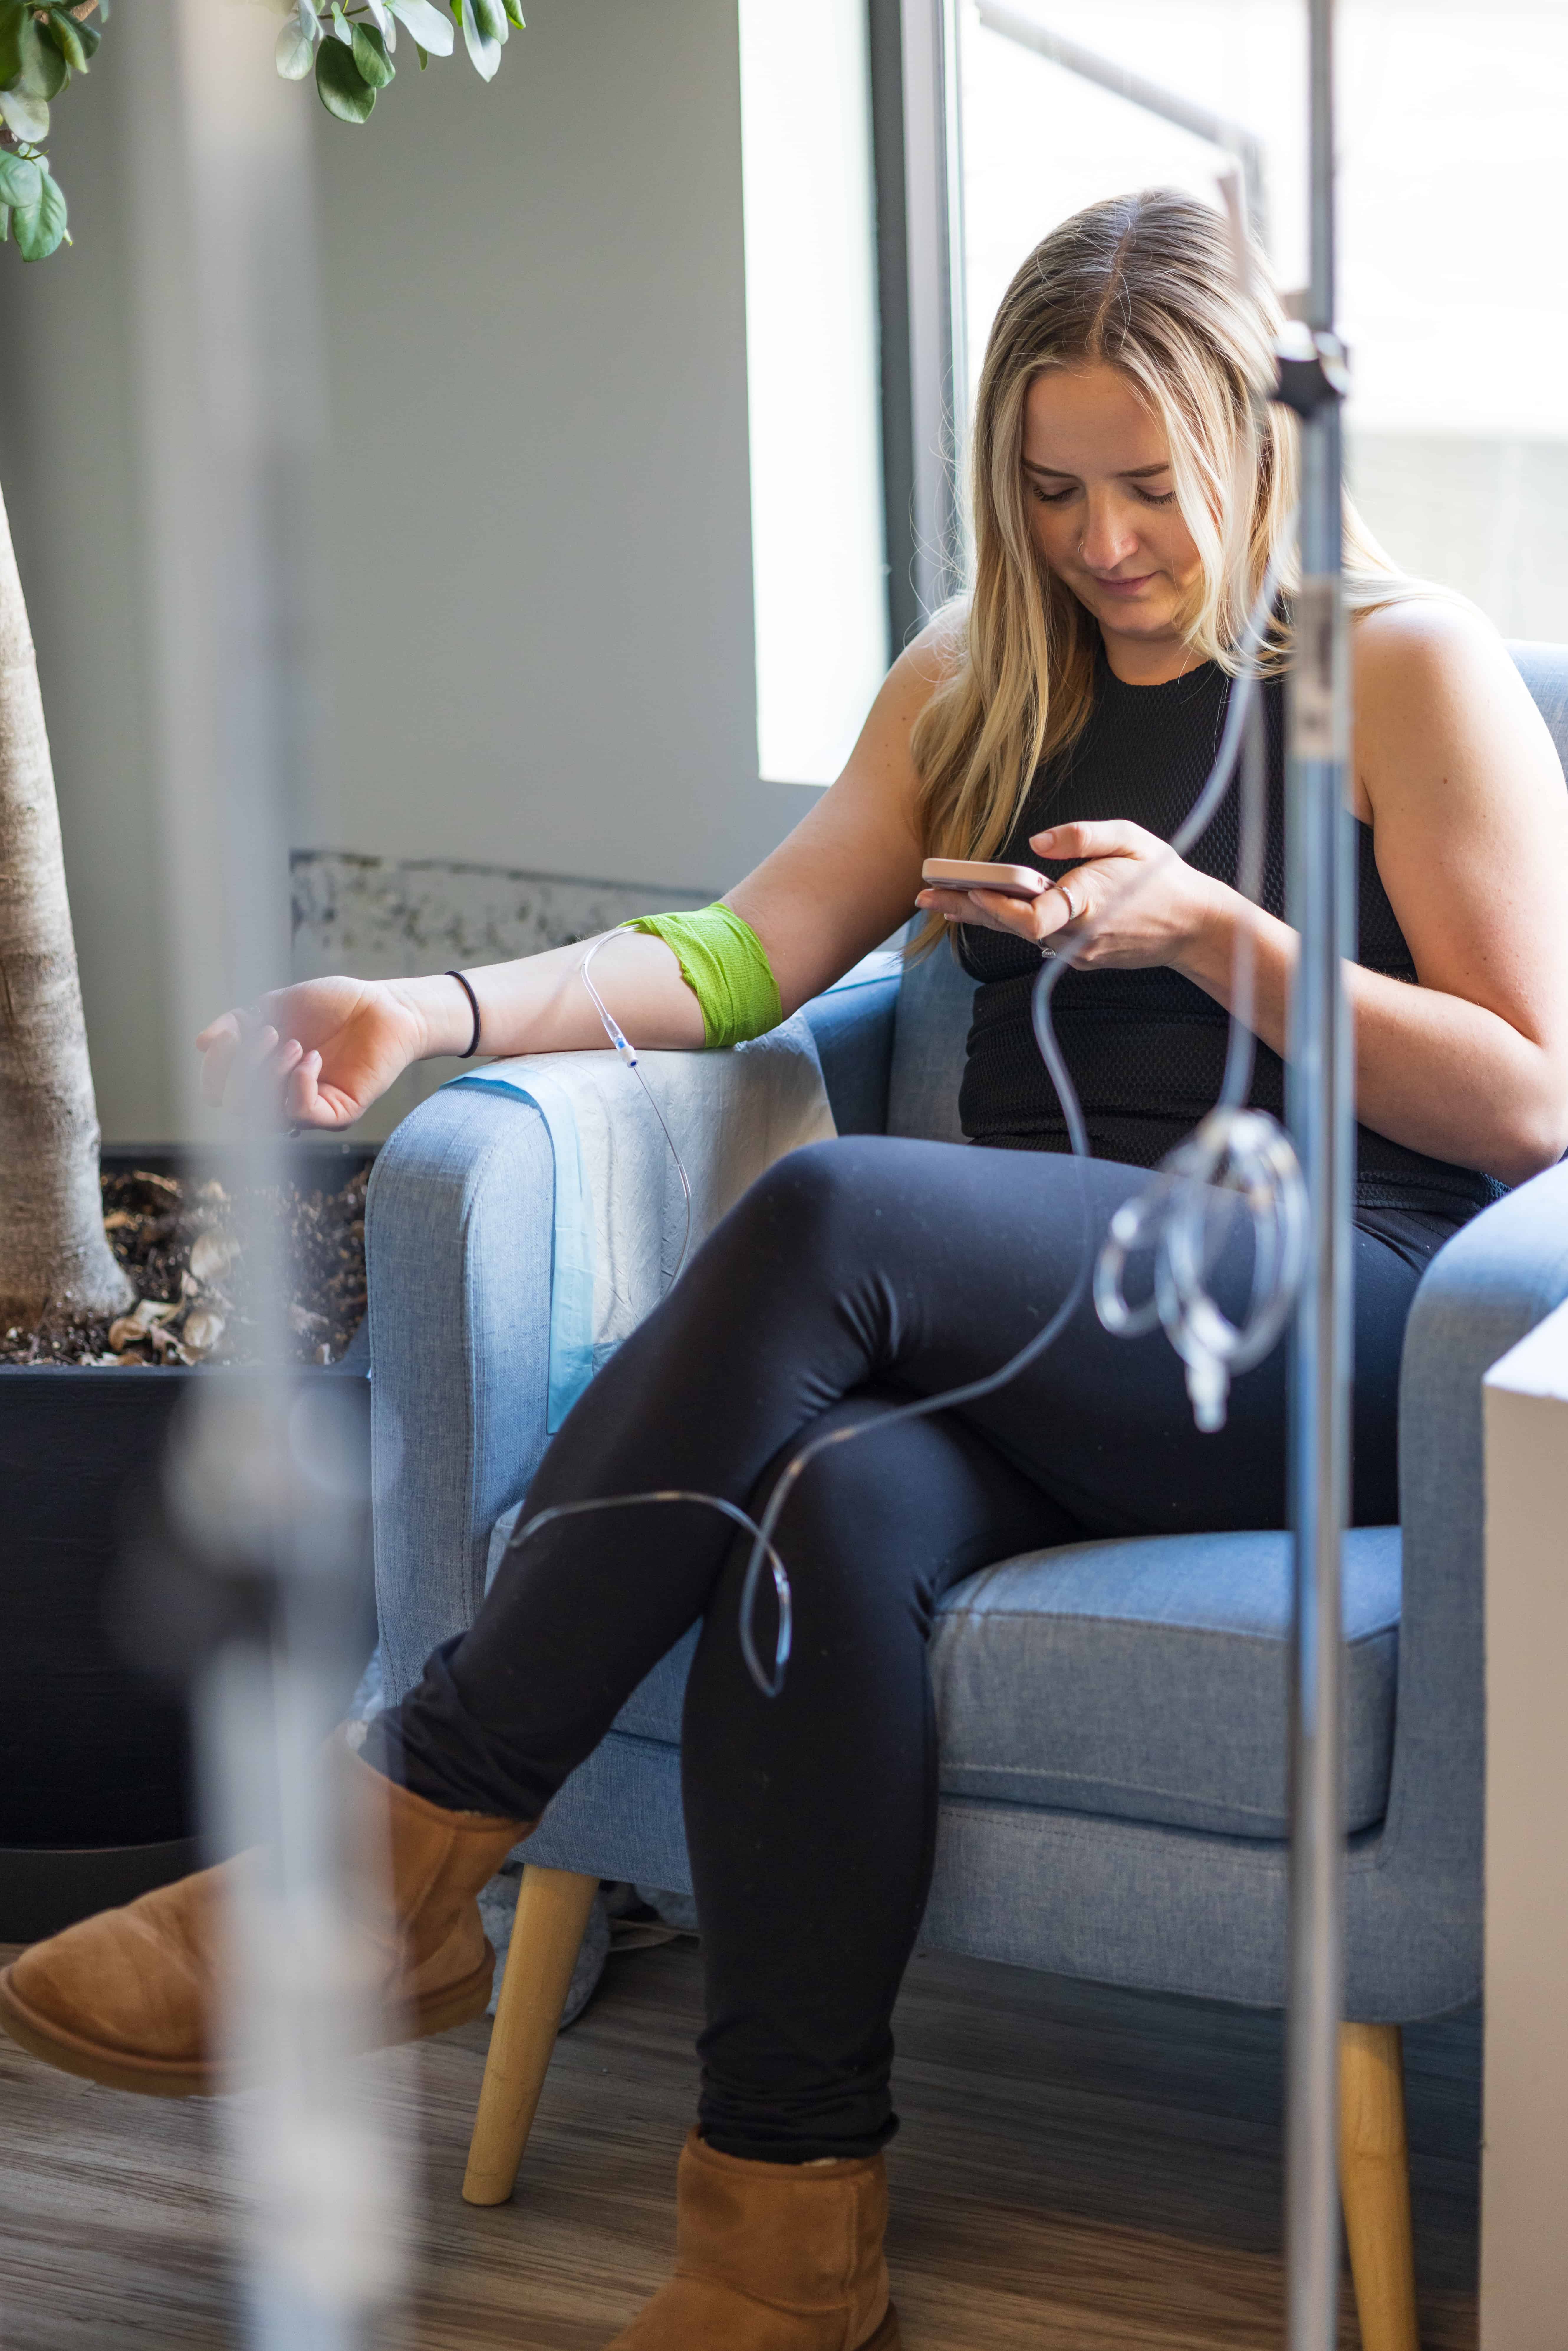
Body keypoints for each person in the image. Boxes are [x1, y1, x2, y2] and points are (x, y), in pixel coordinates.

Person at [4, 190, 1566, 2351]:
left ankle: (404, 1843)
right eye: (1047, 487)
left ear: (1258, 452)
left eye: (1147, 487)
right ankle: (781, 2217)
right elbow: (741, 953)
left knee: (833, 1212)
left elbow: (1532, 1101)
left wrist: (1223, 933)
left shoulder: (1397, 669)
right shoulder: (978, 670)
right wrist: (437, 1014)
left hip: (1314, 1312)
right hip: (1030, 1336)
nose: (1100, 540)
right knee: (819, 1513)